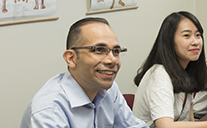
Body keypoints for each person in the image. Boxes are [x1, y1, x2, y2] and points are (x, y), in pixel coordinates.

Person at [20, 17, 148, 128]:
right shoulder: (49, 110)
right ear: (71, 58)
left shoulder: (108, 89)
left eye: (115, 51)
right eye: (99, 50)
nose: (112, 60)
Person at [132, 11, 207, 128]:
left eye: (198, 35)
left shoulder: (187, 70)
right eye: (186, 36)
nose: (195, 42)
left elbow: (190, 121)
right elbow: (165, 126)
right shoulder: (160, 74)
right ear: (169, 41)